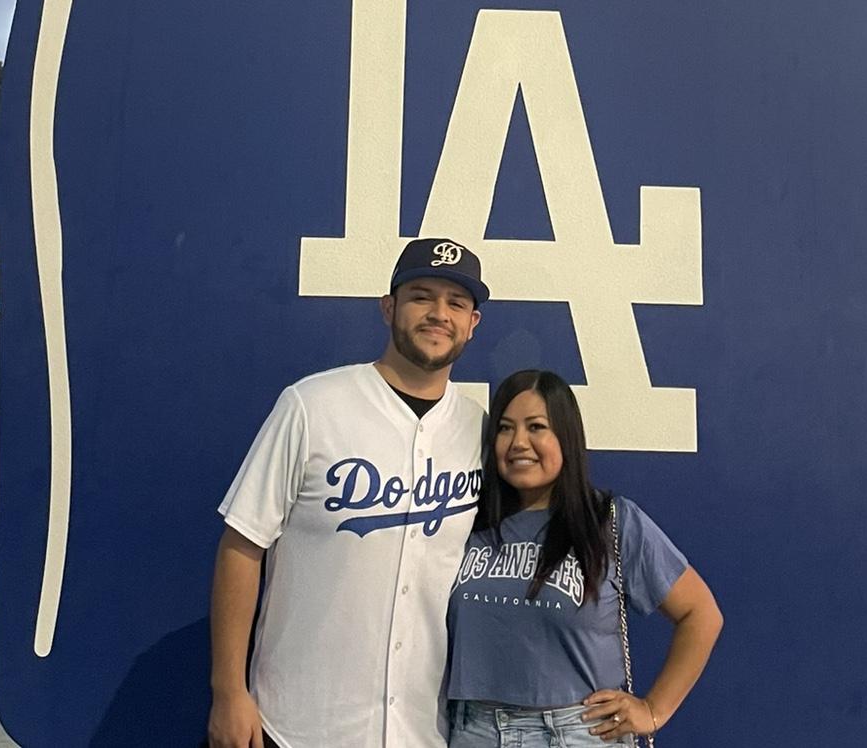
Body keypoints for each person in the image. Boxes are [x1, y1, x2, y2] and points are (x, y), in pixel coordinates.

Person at [206, 238, 491, 748]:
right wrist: (229, 690)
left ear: (473, 323)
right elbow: (242, 545)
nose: (438, 314)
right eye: (422, 296)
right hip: (295, 723)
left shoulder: (479, 430)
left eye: (456, 303)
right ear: (389, 307)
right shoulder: (312, 405)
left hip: (422, 730)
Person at [446, 369, 722, 745]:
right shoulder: (464, 522)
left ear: (567, 436)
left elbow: (701, 614)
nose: (519, 442)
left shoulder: (610, 521)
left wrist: (654, 710)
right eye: (505, 428)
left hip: (580, 733)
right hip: (474, 731)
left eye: (536, 427)